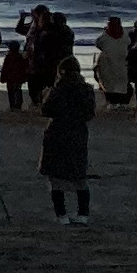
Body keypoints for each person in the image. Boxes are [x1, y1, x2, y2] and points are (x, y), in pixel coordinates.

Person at [41, 56, 96, 225]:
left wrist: (45, 96)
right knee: (79, 175)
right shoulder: (86, 89)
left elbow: (46, 110)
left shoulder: (57, 89)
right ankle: (83, 214)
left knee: (56, 177)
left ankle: (62, 215)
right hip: (78, 132)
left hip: (57, 132)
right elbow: (89, 114)